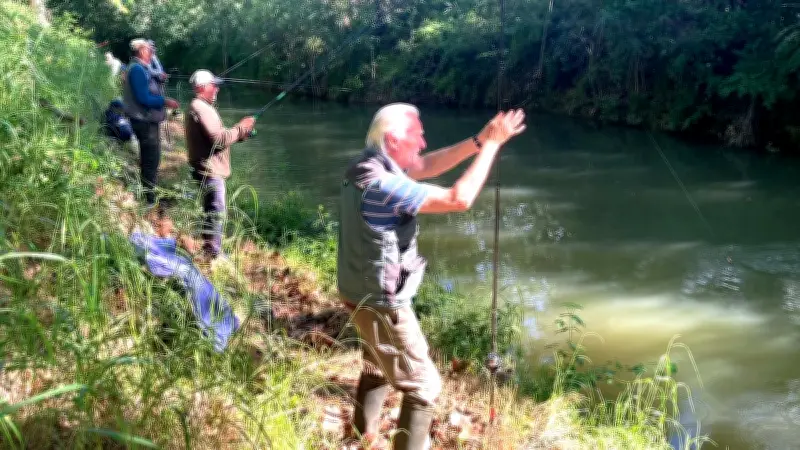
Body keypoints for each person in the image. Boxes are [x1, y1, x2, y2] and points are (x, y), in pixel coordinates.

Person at [337, 103, 526, 449]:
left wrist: (479, 140)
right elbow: (459, 199)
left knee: (377, 363)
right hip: (381, 302)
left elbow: (424, 166)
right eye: (417, 135)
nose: (423, 142)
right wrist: (495, 146)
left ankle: (360, 436)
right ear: (394, 138)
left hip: (358, 291)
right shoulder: (384, 185)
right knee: (424, 386)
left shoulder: (365, 165)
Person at [184, 69, 255, 261]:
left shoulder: (201, 106)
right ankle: (213, 254)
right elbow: (218, 139)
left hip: (207, 168)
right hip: (209, 171)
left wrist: (240, 135)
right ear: (202, 87)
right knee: (216, 211)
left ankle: (211, 249)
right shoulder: (201, 107)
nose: (217, 89)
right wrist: (241, 128)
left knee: (212, 210)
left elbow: (216, 137)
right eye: (213, 85)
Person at [122, 38, 180, 208]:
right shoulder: (137, 70)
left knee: (151, 159)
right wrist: (165, 101)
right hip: (144, 121)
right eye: (150, 50)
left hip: (145, 121)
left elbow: (151, 82)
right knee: (151, 160)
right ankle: (149, 200)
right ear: (142, 51)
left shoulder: (139, 67)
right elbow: (143, 98)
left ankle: (149, 194)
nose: (152, 53)